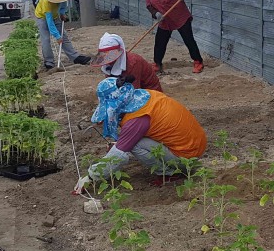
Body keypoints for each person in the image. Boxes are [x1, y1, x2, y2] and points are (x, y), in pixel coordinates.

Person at [73, 77, 207, 192]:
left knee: (135, 144)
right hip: (195, 144)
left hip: (187, 158)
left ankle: (170, 173)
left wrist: (90, 177)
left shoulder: (137, 119)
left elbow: (119, 156)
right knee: (131, 140)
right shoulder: (144, 95)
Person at [135, 0, 204, 74]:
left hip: (179, 16)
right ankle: (157, 64)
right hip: (164, 19)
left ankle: (198, 61)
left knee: (188, 39)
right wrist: (156, 14)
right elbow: (149, 5)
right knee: (160, 42)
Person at [35, 0, 90, 69]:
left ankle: (75, 57)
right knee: (45, 39)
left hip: (56, 15)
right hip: (42, 17)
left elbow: (63, 5)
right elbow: (50, 22)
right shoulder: (46, 1)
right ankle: (49, 62)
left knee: (63, 36)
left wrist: (62, 13)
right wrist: (57, 36)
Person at [89, 32, 162, 91]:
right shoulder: (108, 65)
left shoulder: (133, 63)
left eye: (110, 57)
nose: (108, 61)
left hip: (150, 94)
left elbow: (133, 90)